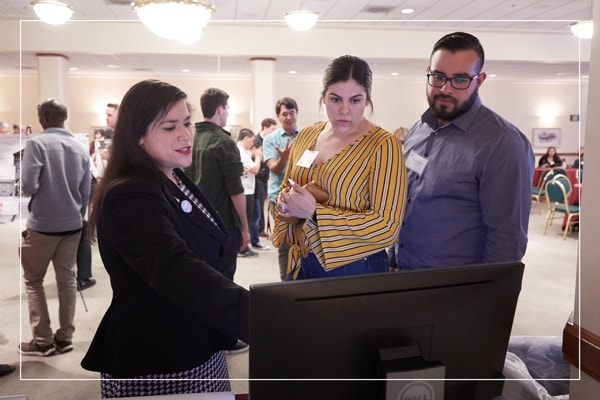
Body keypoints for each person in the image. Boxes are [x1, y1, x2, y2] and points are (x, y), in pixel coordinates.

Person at [81, 80, 249, 397]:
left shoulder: (171, 174)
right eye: (170, 127)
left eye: (187, 123)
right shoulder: (130, 195)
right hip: (160, 355)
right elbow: (177, 269)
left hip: (198, 339)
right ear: (138, 135)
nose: (186, 134)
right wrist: (260, 316)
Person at [395, 32, 535, 270]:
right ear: (429, 72)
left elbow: (507, 240)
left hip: (456, 290)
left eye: (460, 80)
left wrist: (486, 301)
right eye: (438, 77)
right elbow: (405, 201)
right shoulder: (418, 130)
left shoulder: (503, 144)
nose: (446, 89)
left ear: (479, 80)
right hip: (403, 275)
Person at [272, 55, 407, 280]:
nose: (344, 110)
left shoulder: (382, 145)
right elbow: (288, 184)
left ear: (367, 100)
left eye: (355, 100)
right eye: (335, 99)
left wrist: (315, 213)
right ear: (323, 98)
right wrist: (285, 202)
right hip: (300, 260)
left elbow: (387, 227)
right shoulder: (307, 135)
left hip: (353, 269)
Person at [19, 98, 91, 356]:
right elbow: (86, 191)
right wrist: (78, 217)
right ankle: (65, 337)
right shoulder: (80, 147)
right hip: (72, 224)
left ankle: (42, 340)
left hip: (42, 225)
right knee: (67, 281)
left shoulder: (36, 144)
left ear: (45, 118)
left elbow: (28, 186)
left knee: (33, 280)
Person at [185, 87, 257, 266]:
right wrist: (245, 227)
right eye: (227, 108)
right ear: (219, 109)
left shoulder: (191, 139)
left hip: (195, 219)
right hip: (222, 221)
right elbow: (235, 189)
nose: (227, 113)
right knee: (223, 276)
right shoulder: (224, 142)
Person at [263, 98, 300, 280]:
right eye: (284, 113)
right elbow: (274, 168)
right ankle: (286, 285)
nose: (288, 117)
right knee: (285, 244)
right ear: (278, 116)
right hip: (280, 200)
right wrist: (284, 158)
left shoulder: (306, 136)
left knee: (303, 242)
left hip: (303, 197)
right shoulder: (271, 139)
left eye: (292, 112)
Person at [237, 128, 269, 252]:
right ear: (245, 138)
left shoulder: (244, 152)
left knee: (253, 216)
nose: (252, 143)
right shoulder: (240, 152)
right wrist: (258, 157)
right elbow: (255, 169)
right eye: (251, 140)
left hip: (249, 190)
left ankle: (249, 243)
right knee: (247, 220)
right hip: (245, 190)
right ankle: (243, 246)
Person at [254, 117, 277, 239]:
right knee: (260, 203)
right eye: (272, 129)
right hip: (257, 176)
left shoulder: (271, 141)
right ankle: (260, 229)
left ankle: (260, 228)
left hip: (265, 177)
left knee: (262, 202)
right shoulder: (256, 140)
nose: (274, 132)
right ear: (265, 128)